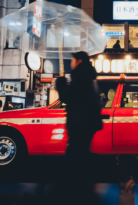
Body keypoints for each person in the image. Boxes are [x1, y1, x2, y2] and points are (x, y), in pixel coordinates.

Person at [55, 51, 103, 203]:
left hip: (80, 123)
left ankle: (75, 190)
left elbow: (68, 98)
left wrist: (61, 83)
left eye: (73, 60)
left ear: (79, 61)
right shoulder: (89, 78)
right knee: (81, 152)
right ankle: (83, 185)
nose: (71, 63)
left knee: (75, 153)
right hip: (87, 123)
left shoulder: (80, 77)